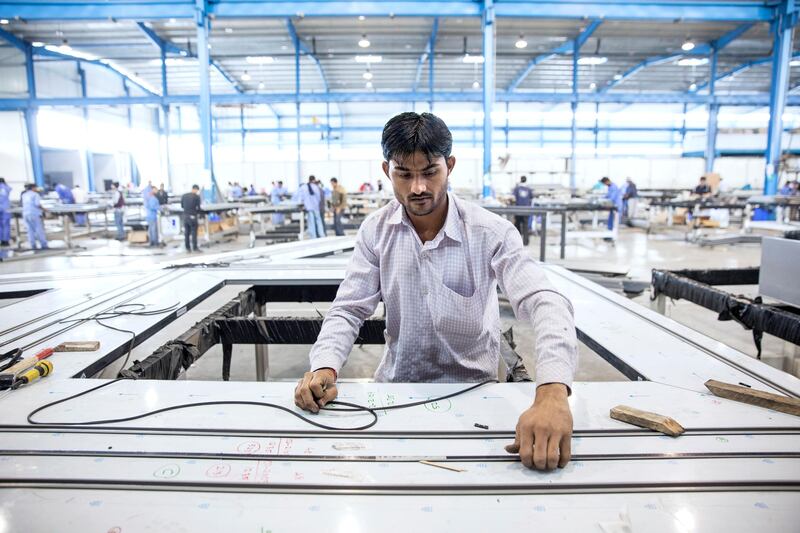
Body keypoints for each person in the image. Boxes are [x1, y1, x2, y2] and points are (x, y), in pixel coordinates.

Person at [294, 112, 578, 471]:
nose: (417, 188)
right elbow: (350, 308)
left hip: (475, 390)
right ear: (386, 171)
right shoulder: (375, 231)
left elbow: (544, 301)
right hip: (397, 389)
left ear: (450, 166)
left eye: (430, 172)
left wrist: (552, 391)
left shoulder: (491, 232)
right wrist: (325, 367)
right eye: (404, 174)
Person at [21, 183, 48, 250]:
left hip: (26, 214)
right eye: (36, 187)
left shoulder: (24, 194)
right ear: (33, 188)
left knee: (30, 230)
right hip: (34, 213)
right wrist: (45, 209)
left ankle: (33, 245)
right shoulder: (35, 194)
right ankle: (43, 245)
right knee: (38, 229)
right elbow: (37, 204)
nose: (36, 189)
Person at [512, 175, 533, 246]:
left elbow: (513, 198)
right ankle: (526, 242)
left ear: (520, 180)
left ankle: (517, 242)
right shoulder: (529, 189)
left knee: (517, 226)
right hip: (526, 210)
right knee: (525, 226)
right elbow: (531, 198)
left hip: (518, 210)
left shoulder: (517, 189)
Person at [181, 185, 202, 252]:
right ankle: (195, 248)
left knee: (186, 233)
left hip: (185, 216)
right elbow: (198, 208)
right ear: (196, 189)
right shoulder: (196, 197)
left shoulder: (184, 196)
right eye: (197, 190)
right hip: (193, 217)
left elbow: (182, 206)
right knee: (194, 233)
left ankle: (187, 248)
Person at [0, 178, 11, 246]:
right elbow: (9, 189)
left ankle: (1, 241)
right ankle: (6, 241)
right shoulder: (6, 187)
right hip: (5, 209)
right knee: (6, 225)